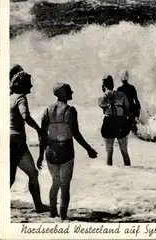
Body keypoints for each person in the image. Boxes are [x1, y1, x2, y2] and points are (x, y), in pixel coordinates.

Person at [38, 83, 98, 220]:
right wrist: (88, 149)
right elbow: (76, 133)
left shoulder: (47, 110)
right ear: (62, 94)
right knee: (65, 186)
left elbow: (43, 136)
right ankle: (63, 217)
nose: (72, 92)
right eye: (69, 91)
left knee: (55, 182)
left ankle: (52, 213)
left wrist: (40, 156)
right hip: (66, 151)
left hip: (50, 152)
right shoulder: (70, 110)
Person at [9, 71, 48, 213]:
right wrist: (38, 129)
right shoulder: (20, 97)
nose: (31, 86)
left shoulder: (8, 98)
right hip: (17, 141)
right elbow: (25, 115)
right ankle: (38, 206)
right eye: (29, 83)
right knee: (33, 173)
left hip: (6, 141)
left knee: (10, 177)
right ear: (23, 84)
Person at [98, 75, 132, 166]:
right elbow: (127, 108)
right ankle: (130, 174)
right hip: (121, 123)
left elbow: (103, 108)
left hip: (109, 124)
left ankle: (110, 175)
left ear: (104, 86)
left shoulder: (101, 98)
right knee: (125, 152)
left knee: (109, 153)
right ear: (113, 84)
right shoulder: (121, 95)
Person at [117, 70, 141, 134]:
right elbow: (137, 101)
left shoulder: (119, 89)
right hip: (132, 109)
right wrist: (137, 114)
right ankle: (136, 124)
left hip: (125, 111)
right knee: (134, 127)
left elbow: (118, 104)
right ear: (128, 78)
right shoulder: (132, 88)